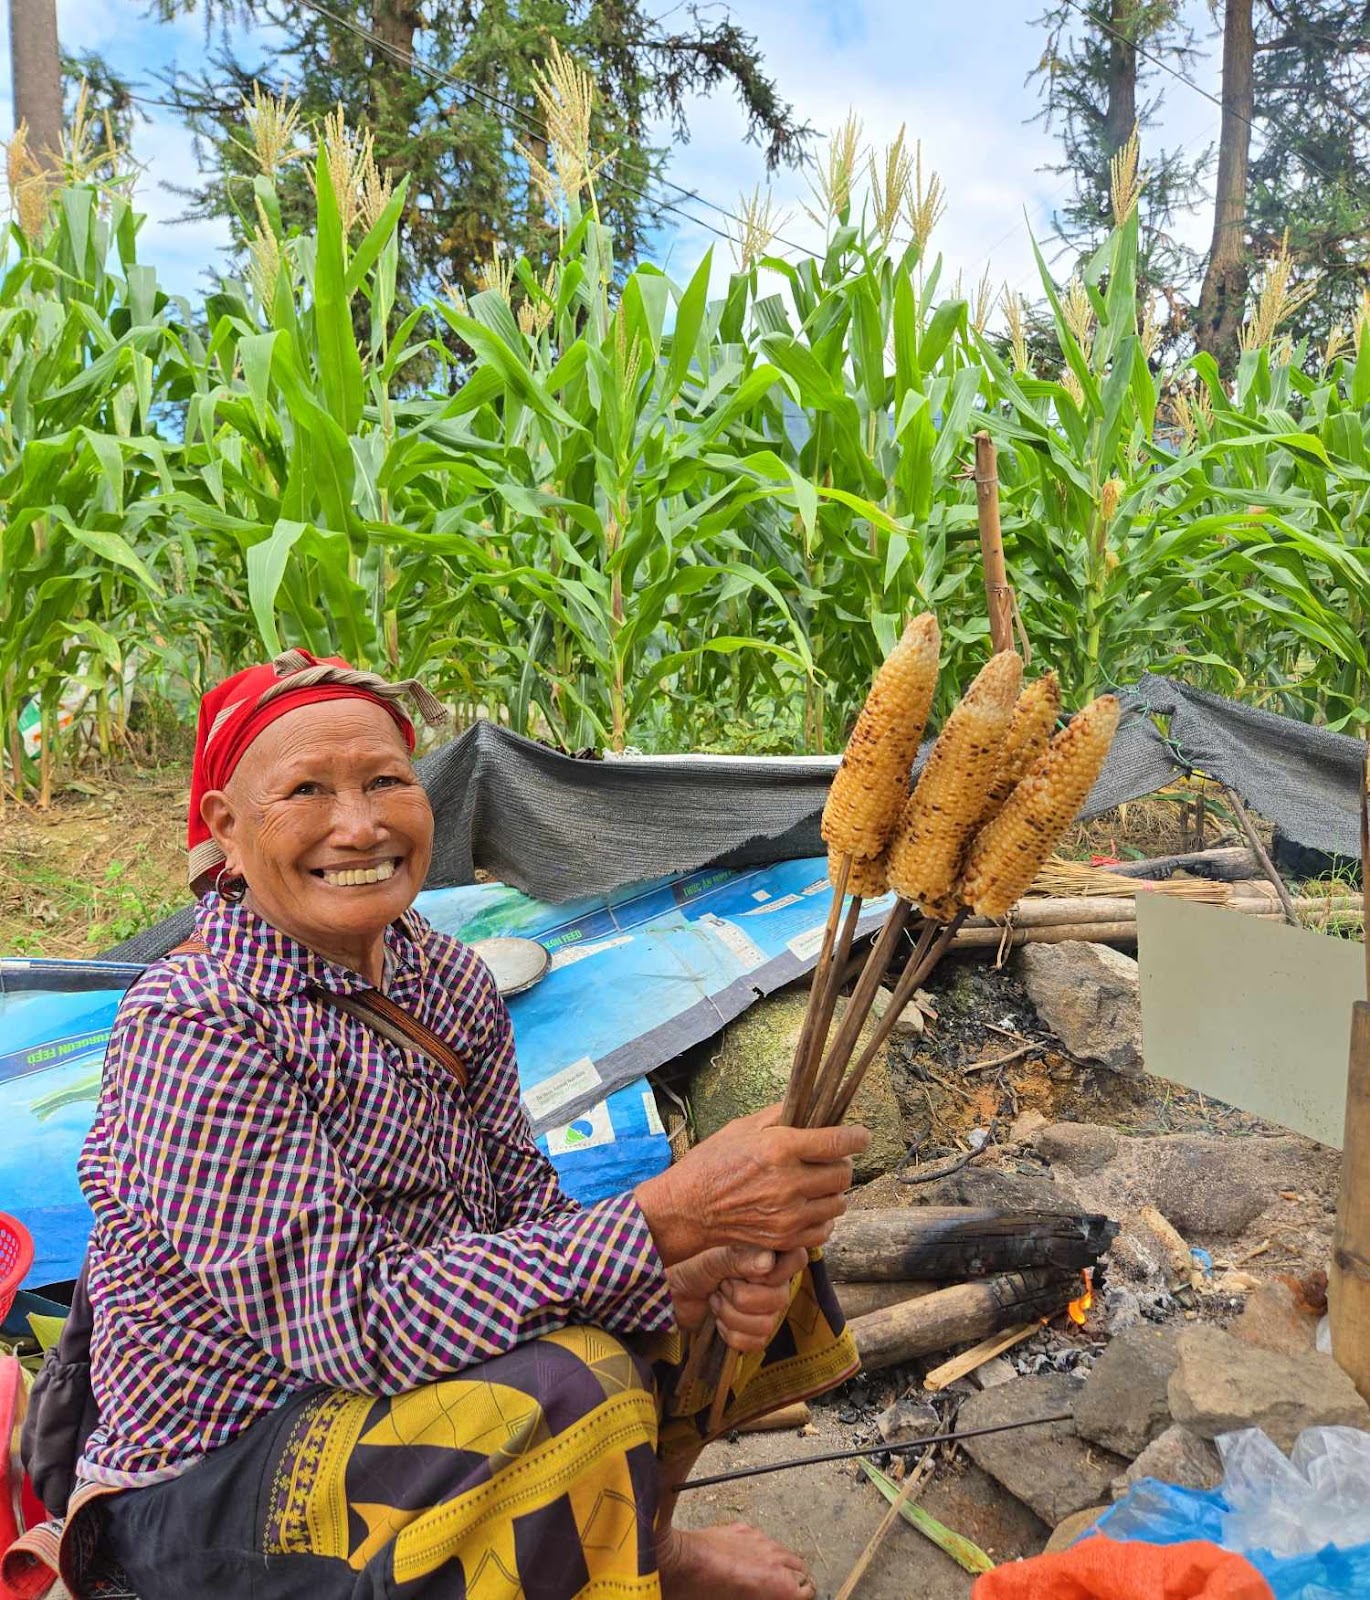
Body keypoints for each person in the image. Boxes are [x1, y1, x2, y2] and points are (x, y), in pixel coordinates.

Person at [33, 651, 868, 1600]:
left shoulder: (447, 979)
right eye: (306, 791)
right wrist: (662, 1220)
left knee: (752, 1242)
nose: (359, 825)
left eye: (386, 780)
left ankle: (651, 1548)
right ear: (225, 828)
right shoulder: (199, 1026)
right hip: (217, 1471)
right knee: (573, 1379)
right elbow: (350, 1324)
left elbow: (523, 1209)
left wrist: (690, 1262)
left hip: (395, 1359)